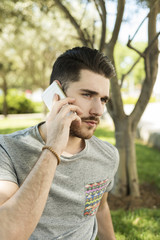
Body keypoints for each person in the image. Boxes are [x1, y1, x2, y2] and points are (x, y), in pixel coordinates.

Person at [0, 46, 119, 240]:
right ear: (57, 93)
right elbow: (7, 233)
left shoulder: (108, 155)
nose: (98, 110)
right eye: (88, 95)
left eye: (103, 99)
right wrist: (53, 147)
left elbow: (100, 208)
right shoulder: (6, 150)